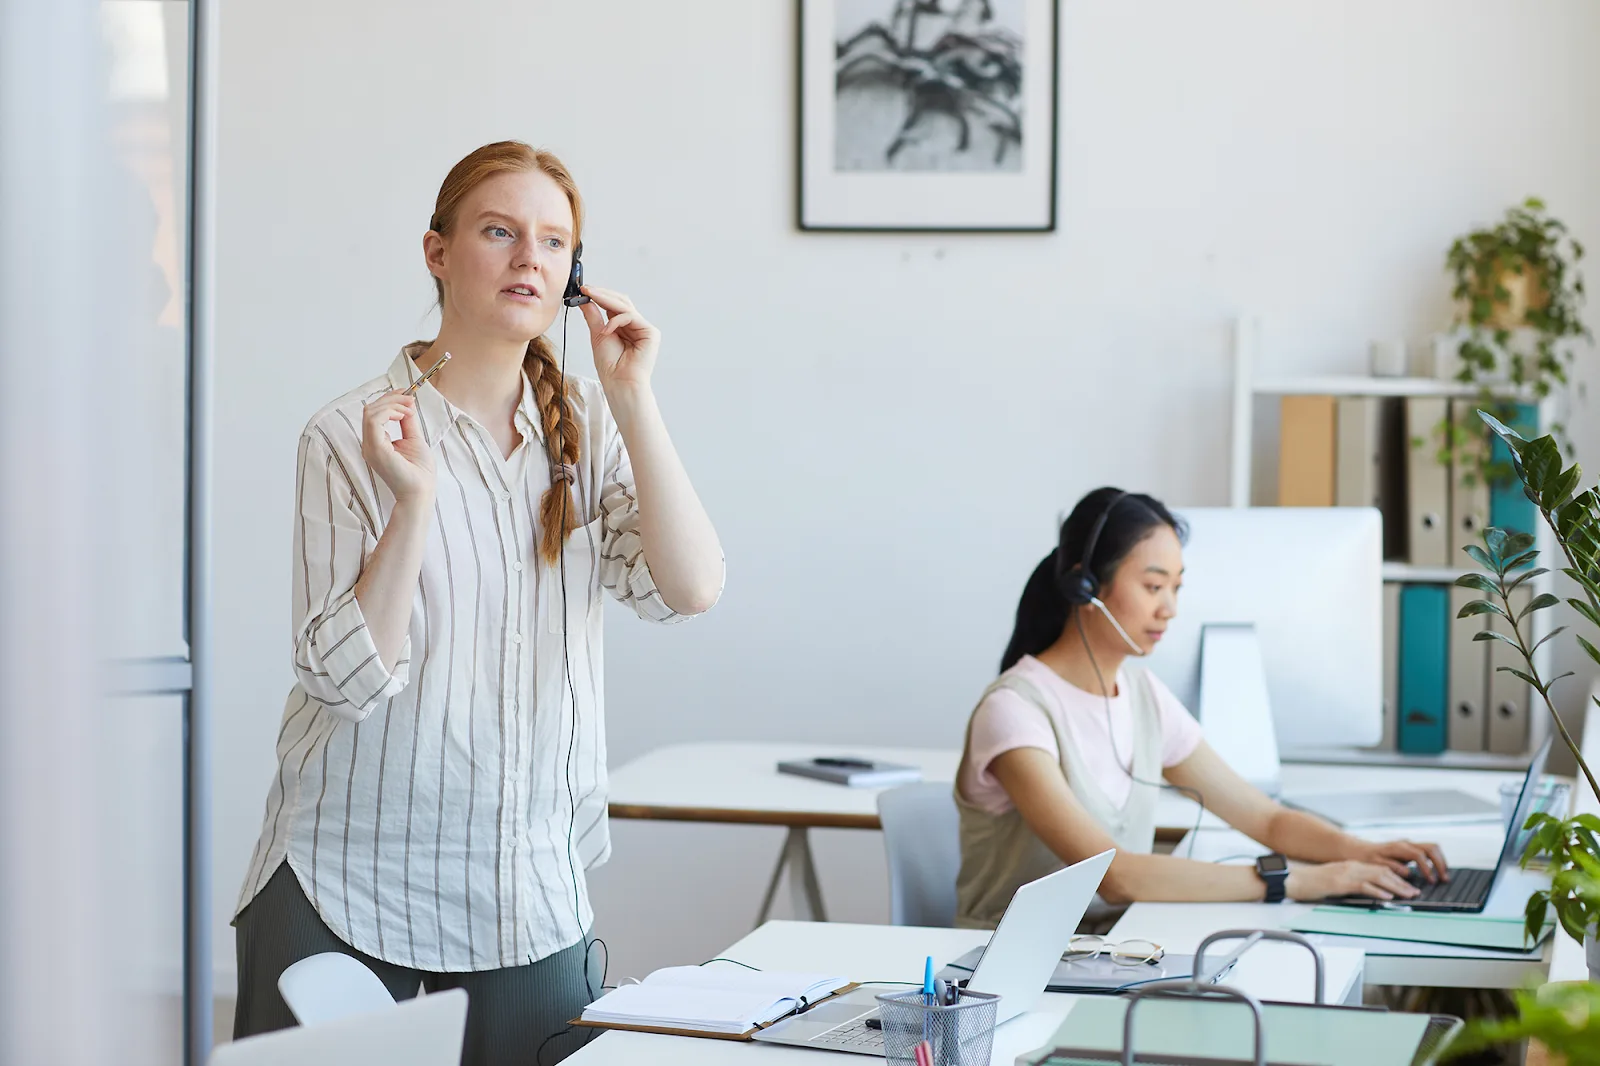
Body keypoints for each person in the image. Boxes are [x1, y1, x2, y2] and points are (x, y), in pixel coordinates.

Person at [231, 141, 724, 1064]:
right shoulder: (349, 434)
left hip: (526, 891)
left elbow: (687, 589)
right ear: (438, 253)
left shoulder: (587, 424)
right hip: (345, 879)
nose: (528, 258)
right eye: (499, 231)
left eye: (552, 242)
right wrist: (412, 501)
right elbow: (343, 680)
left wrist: (634, 397)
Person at [953, 487, 1445, 930]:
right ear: (1085, 587)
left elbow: (1267, 820)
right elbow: (1116, 877)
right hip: (1000, 980)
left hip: (1106, 958)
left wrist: (1365, 854)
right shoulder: (1015, 711)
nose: (1170, 608)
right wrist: (1291, 881)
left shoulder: (1144, 696)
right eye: (1152, 586)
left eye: (1176, 587)